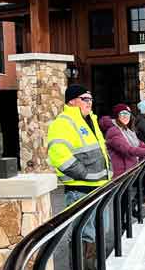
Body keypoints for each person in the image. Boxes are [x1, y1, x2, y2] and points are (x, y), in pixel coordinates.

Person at [47, 84, 112, 256]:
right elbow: (58, 155)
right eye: (85, 99)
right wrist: (84, 174)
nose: (89, 102)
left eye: (90, 99)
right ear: (72, 101)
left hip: (99, 186)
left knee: (101, 231)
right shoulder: (63, 122)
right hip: (80, 190)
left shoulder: (90, 120)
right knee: (85, 234)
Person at [100, 104, 145, 206]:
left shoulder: (127, 130)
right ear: (116, 116)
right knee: (122, 205)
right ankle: (127, 215)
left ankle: (134, 205)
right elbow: (127, 149)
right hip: (121, 174)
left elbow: (140, 144)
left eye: (128, 114)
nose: (126, 116)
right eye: (122, 113)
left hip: (130, 171)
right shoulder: (114, 131)